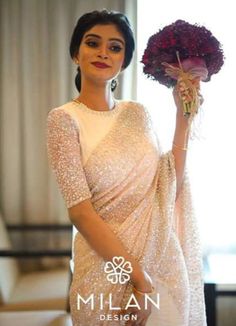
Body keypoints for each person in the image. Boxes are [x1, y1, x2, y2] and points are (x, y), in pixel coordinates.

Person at [46, 9, 207, 326]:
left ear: (125, 61)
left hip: (162, 262)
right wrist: (137, 277)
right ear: (75, 53)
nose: (104, 52)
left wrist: (183, 119)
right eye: (93, 43)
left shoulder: (138, 114)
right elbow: (80, 211)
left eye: (115, 47)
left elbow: (167, 183)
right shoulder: (64, 119)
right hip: (105, 270)